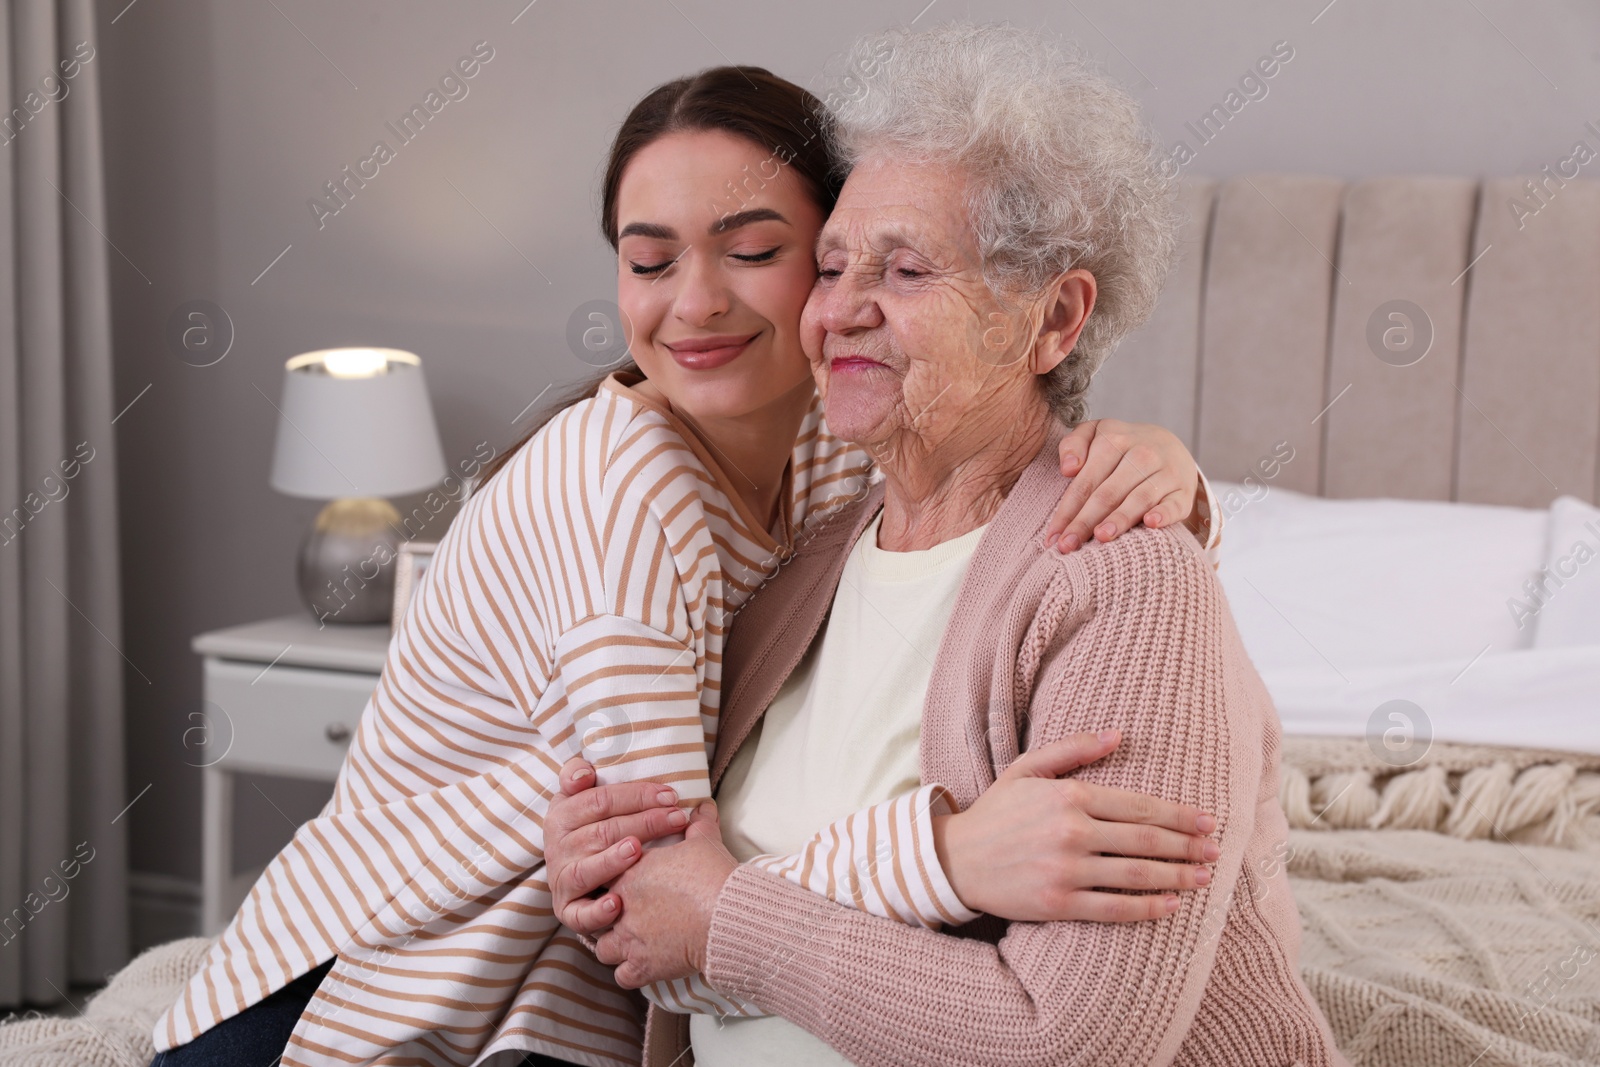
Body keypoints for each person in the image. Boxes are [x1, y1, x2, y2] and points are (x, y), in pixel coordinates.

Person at [149, 61, 1221, 1067]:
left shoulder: (828, 444)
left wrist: (1164, 480)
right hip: (382, 1000)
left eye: (755, 251)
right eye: (648, 261)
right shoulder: (619, 496)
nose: (695, 302)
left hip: (557, 999)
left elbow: (996, 487)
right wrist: (942, 853)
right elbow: (668, 904)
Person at [546, 23, 1350, 1067]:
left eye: (907, 269)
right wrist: (605, 877)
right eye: (831, 267)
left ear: (1052, 319)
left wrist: (725, 917)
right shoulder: (803, 560)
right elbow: (688, 889)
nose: (840, 312)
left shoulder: (1129, 580)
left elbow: (1072, 1039)